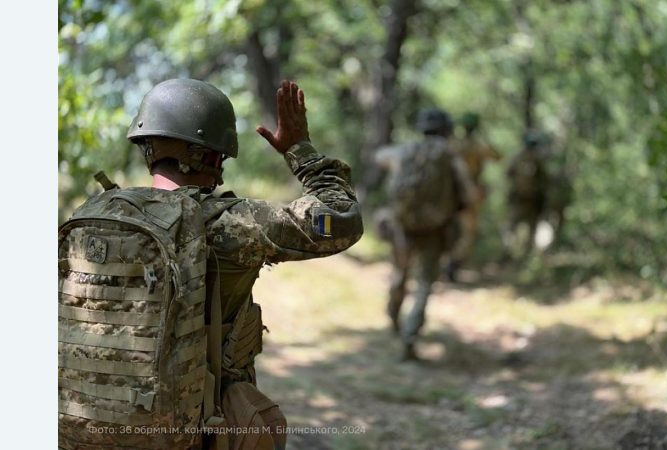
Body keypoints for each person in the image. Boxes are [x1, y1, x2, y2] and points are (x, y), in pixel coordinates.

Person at [58, 78, 363, 450]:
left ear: (147, 146)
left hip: (79, 427)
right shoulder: (228, 223)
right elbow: (340, 218)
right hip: (196, 428)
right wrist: (301, 150)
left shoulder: (91, 215)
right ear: (215, 155)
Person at [374, 108, 476, 361]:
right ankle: (410, 336)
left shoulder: (404, 151)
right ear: (447, 130)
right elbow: (471, 195)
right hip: (434, 229)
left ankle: (394, 318)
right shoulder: (450, 156)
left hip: (403, 225)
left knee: (400, 274)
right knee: (424, 285)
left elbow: (380, 156)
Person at [445, 112, 501, 280]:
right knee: (468, 234)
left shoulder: (453, 142)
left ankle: (445, 263)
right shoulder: (478, 145)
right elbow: (498, 157)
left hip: (449, 195)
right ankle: (451, 264)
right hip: (468, 195)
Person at [503, 129, 550, 263]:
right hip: (522, 199)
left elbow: (508, 175)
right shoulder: (531, 158)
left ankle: (519, 256)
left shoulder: (526, 158)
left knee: (520, 228)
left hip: (528, 200)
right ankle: (515, 255)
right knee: (518, 227)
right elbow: (545, 179)